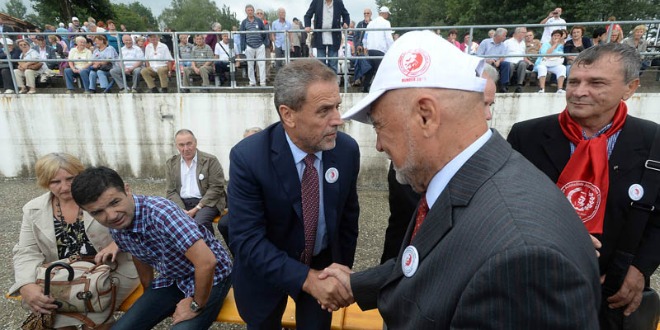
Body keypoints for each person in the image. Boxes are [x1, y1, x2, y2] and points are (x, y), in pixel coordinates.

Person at [323, 30, 600, 329]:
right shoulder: (468, 179)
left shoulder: (524, 259)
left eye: (379, 125)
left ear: (426, 116)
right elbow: (438, 265)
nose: (378, 144)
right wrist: (358, 285)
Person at [508, 42, 660, 330]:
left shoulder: (654, 141)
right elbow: (502, 207)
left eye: (596, 83)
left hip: (615, 296)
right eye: (574, 81)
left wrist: (640, 270)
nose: (578, 91)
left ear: (631, 88)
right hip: (537, 288)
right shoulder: (525, 136)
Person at [226, 59, 360, 329]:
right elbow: (247, 239)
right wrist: (305, 278)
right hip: (265, 273)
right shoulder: (249, 157)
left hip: (321, 268)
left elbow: (348, 219)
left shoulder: (346, 151)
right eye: (324, 110)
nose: (338, 120)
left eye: (337, 106)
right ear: (288, 115)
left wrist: (338, 274)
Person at [71, 166, 233, 329]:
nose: (111, 215)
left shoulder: (162, 213)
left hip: (213, 276)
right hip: (173, 277)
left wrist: (195, 305)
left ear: (127, 189)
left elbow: (207, 263)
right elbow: (137, 252)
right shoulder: (118, 222)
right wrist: (149, 292)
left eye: (115, 202)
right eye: (98, 212)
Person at [8, 153, 139, 329]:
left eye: (71, 178)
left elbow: (136, 222)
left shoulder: (102, 196)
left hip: (111, 271)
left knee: (91, 314)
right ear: (45, 182)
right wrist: (26, 284)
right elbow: (26, 251)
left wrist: (117, 243)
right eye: (55, 182)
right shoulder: (33, 209)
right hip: (64, 276)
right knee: (55, 315)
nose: (65, 187)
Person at [166, 129, 227, 237]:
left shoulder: (210, 160)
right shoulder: (171, 163)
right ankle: (187, 252)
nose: (186, 149)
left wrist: (196, 208)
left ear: (195, 142)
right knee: (169, 225)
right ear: (176, 146)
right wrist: (182, 210)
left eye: (189, 143)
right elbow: (171, 191)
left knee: (199, 224)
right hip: (183, 203)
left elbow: (216, 188)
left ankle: (211, 251)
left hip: (207, 203)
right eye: (181, 145)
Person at [304, 0, 351, 74]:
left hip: (334, 37)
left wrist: (346, 23)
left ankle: (332, 84)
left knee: (333, 64)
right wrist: (307, 26)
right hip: (320, 37)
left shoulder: (338, 2)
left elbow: (346, 15)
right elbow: (308, 15)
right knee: (321, 64)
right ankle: (322, 84)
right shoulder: (316, 2)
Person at [361, 6, 394, 93]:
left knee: (371, 70)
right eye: (388, 14)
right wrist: (392, 49)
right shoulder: (386, 23)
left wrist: (365, 48)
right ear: (385, 14)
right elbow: (388, 38)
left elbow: (365, 38)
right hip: (380, 50)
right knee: (382, 70)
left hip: (370, 50)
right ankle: (382, 89)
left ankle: (365, 87)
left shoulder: (370, 23)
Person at [240, 4, 270, 87]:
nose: (250, 12)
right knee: (250, 65)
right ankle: (252, 82)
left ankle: (262, 82)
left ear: (253, 11)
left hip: (260, 45)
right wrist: (243, 48)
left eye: (251, 10)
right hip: (249, 46)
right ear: (246, 12)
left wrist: (264, 43)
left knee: (261, 64)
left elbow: (264, 32)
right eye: (248, 10)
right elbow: (242, 36)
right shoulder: (244, 22)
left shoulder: (259, 21)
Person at [476, 27, 510, 92]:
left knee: (506, 64)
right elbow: (479, 55)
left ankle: (503, 86)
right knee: (487, 66)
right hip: (486, 61)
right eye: (504, 36)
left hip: (496, 62)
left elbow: (503, 56)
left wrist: (499, 61)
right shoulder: (485, 42)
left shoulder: (503, 45)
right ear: (498, 36)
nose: (505, 37)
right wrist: (487, 60)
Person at [534, 29, 566, 93]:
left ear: (560, 37)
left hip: (554, 64)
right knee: (542, 68)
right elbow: (546, 54)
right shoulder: (545, 44)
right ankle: (542, 89)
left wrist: (551, 55)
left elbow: (560, 55)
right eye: (555, 35)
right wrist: (555, 45)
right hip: (543, 63)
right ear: (552, 36)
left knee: (562, 68)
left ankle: (560, 89)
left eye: (558, 36)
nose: (556, 37)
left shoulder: (560, 46)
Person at [504, 27, 533, 93]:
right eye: (524, 32)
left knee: (523, 64)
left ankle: (519, 85)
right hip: (510, 60)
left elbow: (524, 56)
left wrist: (529, 62)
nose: (525, 34)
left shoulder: (523, 43)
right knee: (510, 65)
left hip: (520, 61)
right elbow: (503, 53)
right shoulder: (508, 42)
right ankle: (506, 84)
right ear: (517, 33)